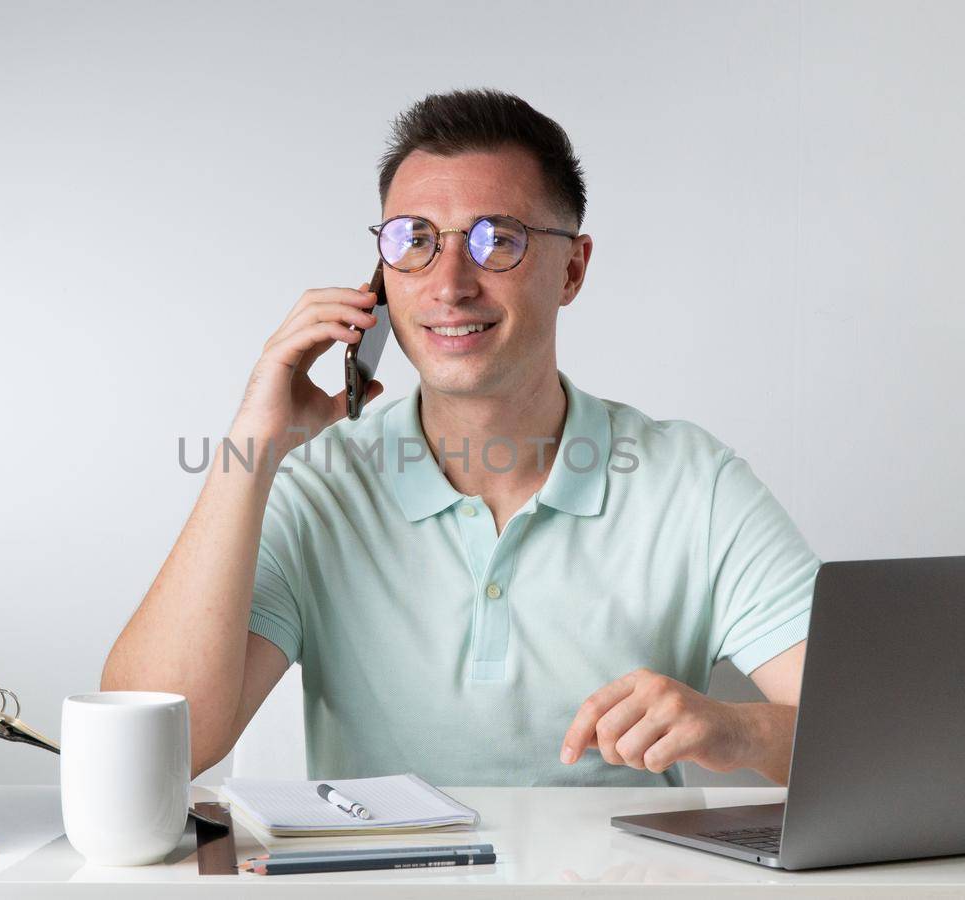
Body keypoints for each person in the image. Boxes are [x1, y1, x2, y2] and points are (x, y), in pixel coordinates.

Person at [102, 88, 820, 787]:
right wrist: (252, 447)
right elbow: (148, 753)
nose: (449, 284)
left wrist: (740, 729)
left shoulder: (694, 483)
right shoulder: (319, 486)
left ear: (572, 268)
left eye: (496, 241)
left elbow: (884, 736)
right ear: (380, 275)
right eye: (413, 240)